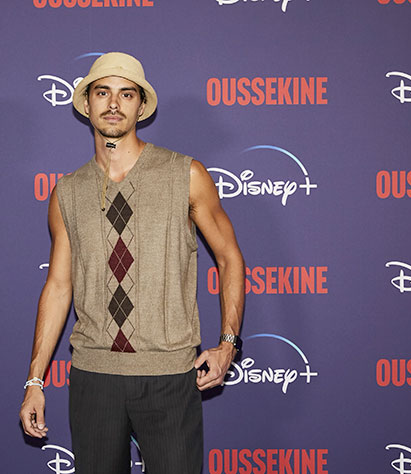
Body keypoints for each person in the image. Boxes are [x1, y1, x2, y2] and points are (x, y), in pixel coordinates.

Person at [20, 52, 245, 474]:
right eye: (102, 92)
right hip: (94, 379)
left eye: (126, 94)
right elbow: (59, 286)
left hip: (169, 376)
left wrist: (228, 343)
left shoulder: (185, 174)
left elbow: (229, 257)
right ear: (86, 104)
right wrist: (35, 380)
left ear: (141, 106)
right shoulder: (67, 192)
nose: (113, 104)